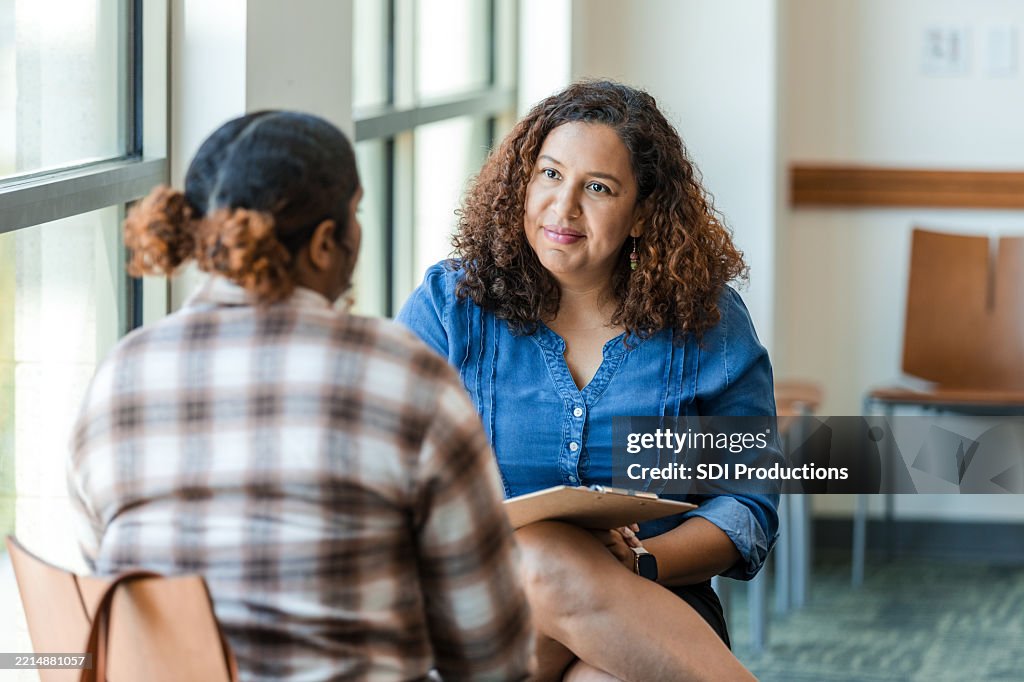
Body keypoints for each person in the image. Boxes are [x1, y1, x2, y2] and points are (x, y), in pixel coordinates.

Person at [68, 111, 533, 681]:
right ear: (322, 243)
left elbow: (105, 584)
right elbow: (493, 655)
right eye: (356, 213)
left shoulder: (119, 377)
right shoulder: (403, 377)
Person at [397, 81, 778, 681]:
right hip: (472, 608)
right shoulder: (452, 306)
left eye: (597, 188)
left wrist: (641, 560)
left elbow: (747, 503)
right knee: (541, 555)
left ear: (644, 213)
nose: (563, 207)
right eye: (550, 174)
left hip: (652, 600)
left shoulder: (706, 320)